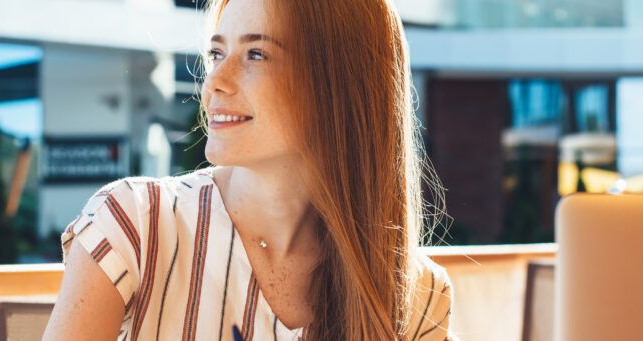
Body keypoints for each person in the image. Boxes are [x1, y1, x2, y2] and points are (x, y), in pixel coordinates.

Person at [43, 0, 454, 339]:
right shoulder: (133, 223)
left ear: (339, 84)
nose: (213, 83)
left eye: (256, 54)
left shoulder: (417, 293)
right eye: (216, 54)